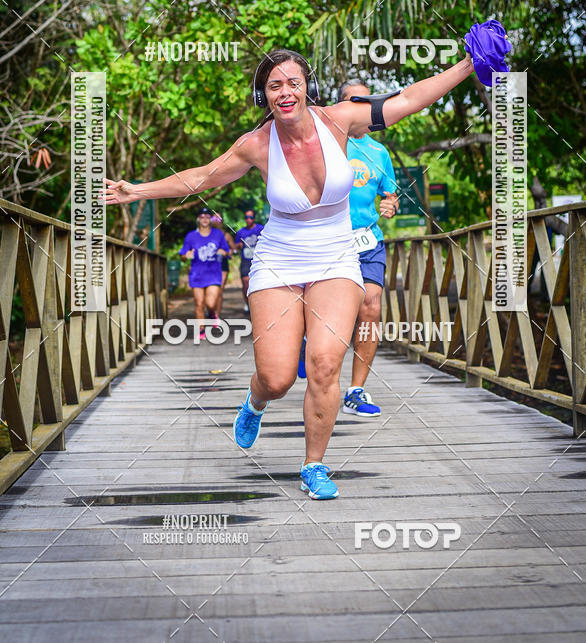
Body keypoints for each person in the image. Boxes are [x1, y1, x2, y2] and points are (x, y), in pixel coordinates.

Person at [104, 46, 475, 499]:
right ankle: (255, 400)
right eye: (274, 85)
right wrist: (135, 191)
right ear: (264, 95)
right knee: (278, 378)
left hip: (337, 257)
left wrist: (471, 63)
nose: (285, 91)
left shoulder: (339, 119)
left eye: (292, 82)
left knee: (323, 364)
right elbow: (201, 177)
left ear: (307, 87)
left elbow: (410, 99)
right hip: (279, 259)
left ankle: (314, 465)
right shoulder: (256, 145)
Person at [337, 80, 399, 417]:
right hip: (328, 241)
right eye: (350, 100)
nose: (357, 105)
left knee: (370, 307)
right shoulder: (328, 143)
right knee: (329, 314)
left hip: (367, 239)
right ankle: (303, 344)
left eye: (363, 100)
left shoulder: (379, 152)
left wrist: (390, 204)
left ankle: (355, 391)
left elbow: (390, 193)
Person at [179, 207, 231, 340]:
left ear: (211, 219)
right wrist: (186, 255)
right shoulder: (191, 236)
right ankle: (201, 330)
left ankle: (212, 313)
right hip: (197, 275)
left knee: (210, 303)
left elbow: (227, 251)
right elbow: (183, 255)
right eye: (202, 217)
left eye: (207, 217)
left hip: (213, 274)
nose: (204, 219)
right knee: (199, 303)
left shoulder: (218, 234)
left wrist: (223, 252)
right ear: (198, 219)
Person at [234, 209, 264, 313]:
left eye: (250, 217)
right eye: (246, 217)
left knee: (260, 283)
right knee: (246, 282)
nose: (248, 219)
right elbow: (235, 246)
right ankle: (248, 304)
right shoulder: (241, 232)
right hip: (246, 261)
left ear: (254, 218)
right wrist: (239, 245)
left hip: (259, 260)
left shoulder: (260, 228)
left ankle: (260, 305)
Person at [211, 213, 235, 318]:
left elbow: (233, 249)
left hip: (222, 265)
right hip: (209, 265)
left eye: (218, 218)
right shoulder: (207, 234)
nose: (216, 220)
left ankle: (216, 315)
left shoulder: (226, 235)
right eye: (214, 217)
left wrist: (228, 252)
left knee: (219, 290)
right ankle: (211, 310)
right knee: (210, 290)